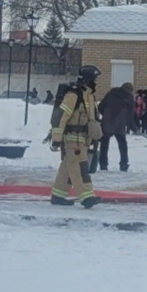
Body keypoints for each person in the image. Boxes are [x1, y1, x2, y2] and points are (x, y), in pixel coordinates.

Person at [50, 66, 103, 208]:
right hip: (74, 140)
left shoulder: (89, 96)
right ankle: (87, 197)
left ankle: (58, 195)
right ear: (89, 79)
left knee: (68, 166)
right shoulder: (73, 95)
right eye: (95, 79)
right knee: (80, 168)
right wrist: (56, 138)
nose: (96, 82)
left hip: (83, 139)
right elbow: (60, 117)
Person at [95, 80, 134, 172]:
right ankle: (124, 164)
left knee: (104, 145)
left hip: (107, 123)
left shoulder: (110, 94)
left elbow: (100, 107)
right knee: (123, 145)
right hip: (120, 125)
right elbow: (129, 116)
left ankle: (103, 165)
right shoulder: (129, 98)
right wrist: (134, 128)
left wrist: (106, 116)